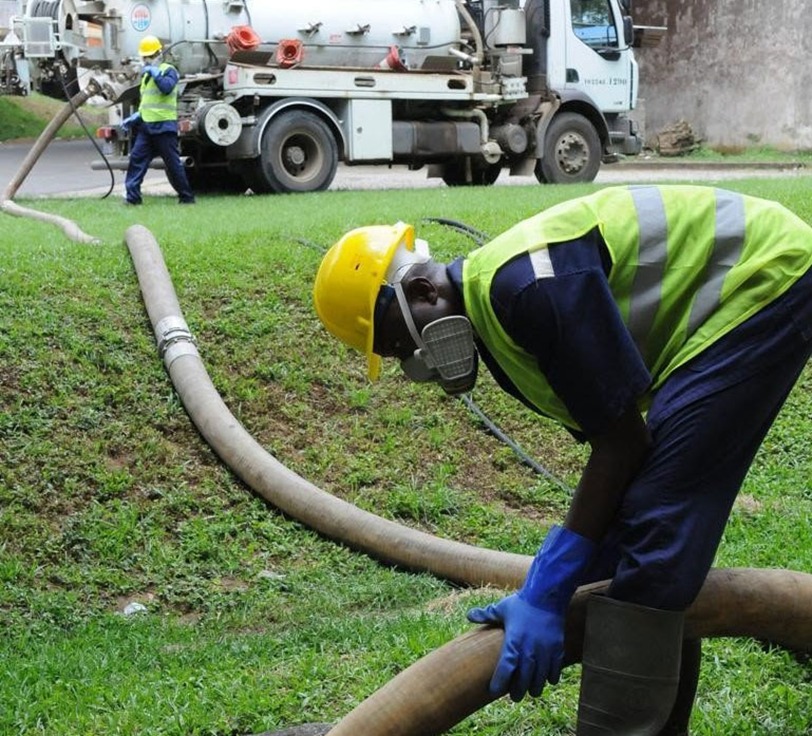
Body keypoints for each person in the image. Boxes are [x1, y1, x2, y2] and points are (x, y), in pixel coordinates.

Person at [312, 185, 812, 735]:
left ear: (424, 289)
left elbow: (624, 443)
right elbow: (621, 449)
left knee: (658, 530)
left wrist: (549, 585)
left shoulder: (525, 288)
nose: (418, 364)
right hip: (731, 301)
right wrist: (573, 576)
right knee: (636, 554)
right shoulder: (497, 325)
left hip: (762, 277)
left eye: (403, 344)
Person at [121, 35, 195, 205]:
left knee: (173, 165)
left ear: (159, 54)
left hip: (164, 127)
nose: (147, 60)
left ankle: (186, 197)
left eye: (150, 56)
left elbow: (166, 88)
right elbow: (147, 102)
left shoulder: (169, 70)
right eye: (145, 57)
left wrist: (156, 74)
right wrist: (136, 116)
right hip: (147, 126)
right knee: (136, 161)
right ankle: (132, 198)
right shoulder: (146, 77)